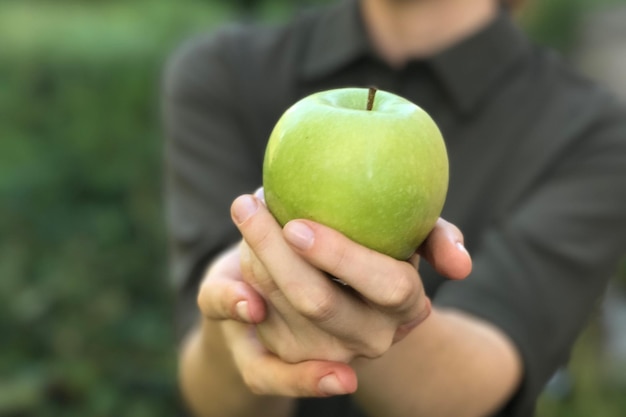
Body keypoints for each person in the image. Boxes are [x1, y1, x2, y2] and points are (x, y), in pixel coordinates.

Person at [162, 0, 626, 416]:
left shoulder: (593, 135)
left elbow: (483, 379)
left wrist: (368, 315)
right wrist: (248, 309)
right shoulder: (224, 71)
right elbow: (210, 395)